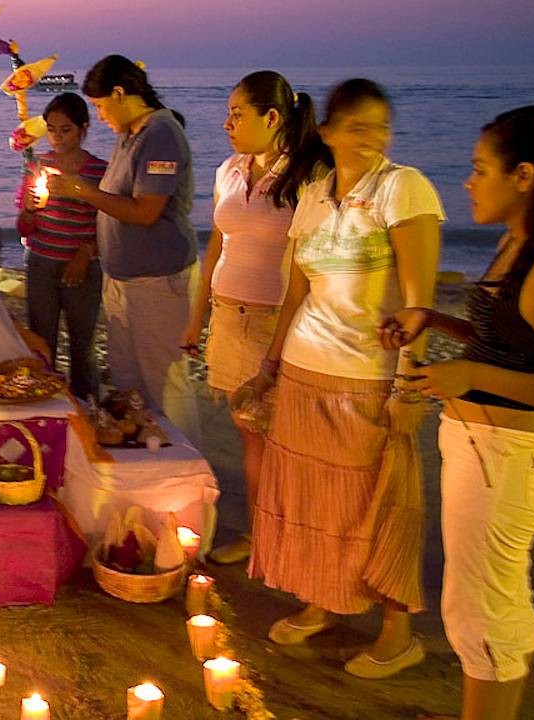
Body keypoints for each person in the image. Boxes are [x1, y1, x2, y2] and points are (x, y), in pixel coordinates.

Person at [241, 79, 442, 678]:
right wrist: (271, 367)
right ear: (327, 133)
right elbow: (296, 291)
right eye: (358, 126)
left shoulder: (402, 188)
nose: (373, 138)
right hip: (306, 370)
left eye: (381, 126)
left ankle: (399, 631)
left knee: (378, 505)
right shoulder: (315, 191)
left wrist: (409, 388)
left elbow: (420, 304)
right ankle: (320, 600)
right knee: (313, 501)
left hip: (367, 377)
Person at [380, 106, 534, 719]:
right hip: (484, 453)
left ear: (525, 175)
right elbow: (513, 342)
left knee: (479, 615)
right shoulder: (519, 242)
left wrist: (473, 376)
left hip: (508, 463)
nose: (467, 180)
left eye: (481, 169)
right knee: (491, 606)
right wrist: (431, 319)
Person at [180, 71, 329, 565]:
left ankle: (293, 539)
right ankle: (265, 535)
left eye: (237, 113)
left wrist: (279, 346)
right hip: (229, 313)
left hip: (278, 321)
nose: (227, 123)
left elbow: (312, 263)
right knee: (249, 430)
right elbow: (218, 245)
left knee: (287, 437)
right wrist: (196, 319)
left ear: (272, 117)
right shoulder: (230, 169)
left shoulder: (309, 176)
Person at [49, 55, 200, 443]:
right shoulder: (131, 135)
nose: (98, 116)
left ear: (120, 93)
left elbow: (146, 211)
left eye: (100, 105)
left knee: (164, 381)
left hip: (156, 280)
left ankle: (183, 465)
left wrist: (83, 191)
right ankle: (146, 458)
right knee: (128, 382)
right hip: (122, 279)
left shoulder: (160, 134)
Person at [17, 91, 107, 401]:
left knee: (83, 348)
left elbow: (110, 226)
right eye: (51, 129)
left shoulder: (99, 171)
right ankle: (47, 410)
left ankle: (88, 413)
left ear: (84, 129)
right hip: (41, 264)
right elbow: (25, 228)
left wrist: (86, 252)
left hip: (81, 269)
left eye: (66, 129)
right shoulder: (38, 166)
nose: (57, 137)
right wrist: (28, 210)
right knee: (42, 345)